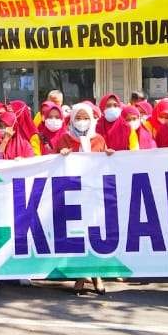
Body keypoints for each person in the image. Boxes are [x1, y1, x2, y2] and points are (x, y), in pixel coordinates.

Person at [55, 103, 112, 295]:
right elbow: (55, 164)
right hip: (72, 194)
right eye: (78, 118)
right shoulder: (65, 138)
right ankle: (83, 274)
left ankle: (94, 276)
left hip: (93, 193)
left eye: (85, 117)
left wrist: (109, 155)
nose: (81, 122)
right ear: (71, 120)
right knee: (78, 235)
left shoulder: (98, 139)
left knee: (94, 234)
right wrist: (61, 155)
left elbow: (104, 163)